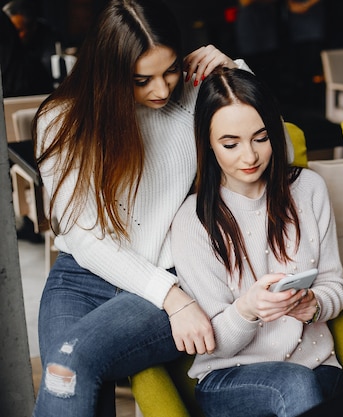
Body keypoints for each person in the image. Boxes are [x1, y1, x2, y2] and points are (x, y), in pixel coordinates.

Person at [31, 1, 251, 415]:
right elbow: (85, 237)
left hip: (170, 273)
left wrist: (235, 76)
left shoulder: (195, 95)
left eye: (169, 70)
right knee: (67, 381)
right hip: (82, 278)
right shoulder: (61, 121)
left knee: (70, 363)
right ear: (108, 72)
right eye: (141, 79)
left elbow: (275, 154)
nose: (161, 90)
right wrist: (174, 300)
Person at [170, 67, 343, 417]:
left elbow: (336, 285)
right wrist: (247, 309)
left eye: (260, 138)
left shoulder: (309, 190)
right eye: (230, 144)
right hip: (229, 377)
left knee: (303, 384)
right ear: (207, 142)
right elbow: (215, 343)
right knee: (295, 385)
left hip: (317, 367)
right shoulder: (192, 220)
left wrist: (312, 304)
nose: (249, 157)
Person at [2, 0, 60, 82]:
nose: (12, 36)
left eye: (18, 31)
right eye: (9, 31)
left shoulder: (49, 40)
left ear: (33, 27)